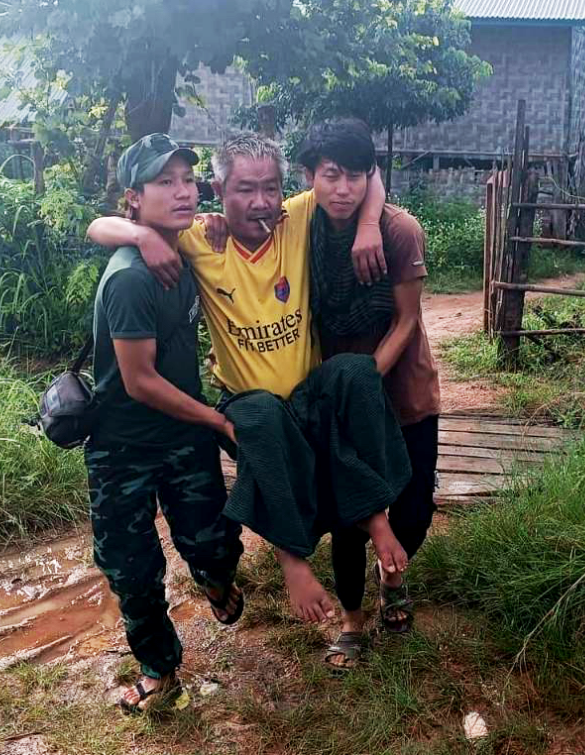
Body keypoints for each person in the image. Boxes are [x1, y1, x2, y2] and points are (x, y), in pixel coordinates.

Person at [87, 133, 411, 626]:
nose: (260, 202)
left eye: (270, 188)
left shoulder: (297, 218)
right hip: (250, 404)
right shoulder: (195, 238)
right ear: (217, 189)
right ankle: (293, 563)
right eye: (243, 190)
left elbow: (364, 171)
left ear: (285, 190)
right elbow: (97, 225)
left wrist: (368, 224)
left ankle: (378, 517)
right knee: (258, 415)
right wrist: (142, 236)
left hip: (306, 396)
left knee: (355, 371)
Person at [87, 133, 244, 713]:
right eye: (165, 182)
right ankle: (159, 671)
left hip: (182, 437)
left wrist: (193, 225)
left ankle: (216, 580)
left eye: (187, 179)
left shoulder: (186, 242)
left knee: (213, 544)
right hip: (122, 447)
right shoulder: (131, 276)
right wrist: (216, 422)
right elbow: (140, 382)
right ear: (134, 198)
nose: (182, 191)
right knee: (132, 569)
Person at [294, 119, 441, 669]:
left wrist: (364, 379)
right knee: (345, 515)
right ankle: (353, 621)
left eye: (356, 176)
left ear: (369, 177)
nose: (343, 189)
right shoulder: (299, 227)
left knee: (412, 512)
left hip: (402, 392)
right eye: (331, 176)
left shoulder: (401, 232)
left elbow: (406, 321)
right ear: (310, 177)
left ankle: (394, 576)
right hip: (336, 392)